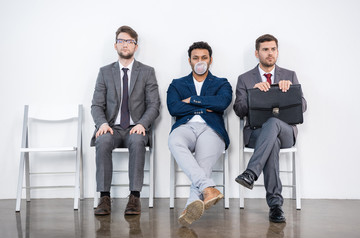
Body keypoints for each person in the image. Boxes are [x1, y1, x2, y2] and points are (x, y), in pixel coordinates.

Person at [233, 34, 307, 223]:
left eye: (273, 49)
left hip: (286, 132)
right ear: (257, 53)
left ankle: (251, 173)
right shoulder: (244, 79)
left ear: (277, 51)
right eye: (265, 49)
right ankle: (275, 206)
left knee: (273, 123)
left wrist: (290, 92)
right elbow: (239, 110)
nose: (270, 53)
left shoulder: (289, 75)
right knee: (271, 141)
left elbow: (303, 106)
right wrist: (254, 95)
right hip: (256, 133)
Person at [91, 26, 160, 216]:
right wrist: (102, 124)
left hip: (134, 127)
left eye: (129, 41)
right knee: (102, 140)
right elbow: (96, 105)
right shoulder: (105, 72)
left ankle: (134, 197)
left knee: (138, 141)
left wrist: (141, 124)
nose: (125, 44)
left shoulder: (147, 72)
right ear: (115, 45)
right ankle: (104, 197)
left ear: (135, 46)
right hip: (111, 127)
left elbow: (154, 105)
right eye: (121, 41)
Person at [167, 41, 232, 226]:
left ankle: (190, 207)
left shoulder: (221, 83)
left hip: (212, 129)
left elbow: (222, 103)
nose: (200, 61)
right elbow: (174, 108)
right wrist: (205, 107)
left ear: (210, 60)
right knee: (174, 141)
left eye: (204, 57)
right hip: (185, 128)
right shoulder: (177, 84)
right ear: (190, 61)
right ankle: (208, 189)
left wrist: (192, 100)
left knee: (203, 163)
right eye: (196, 58)